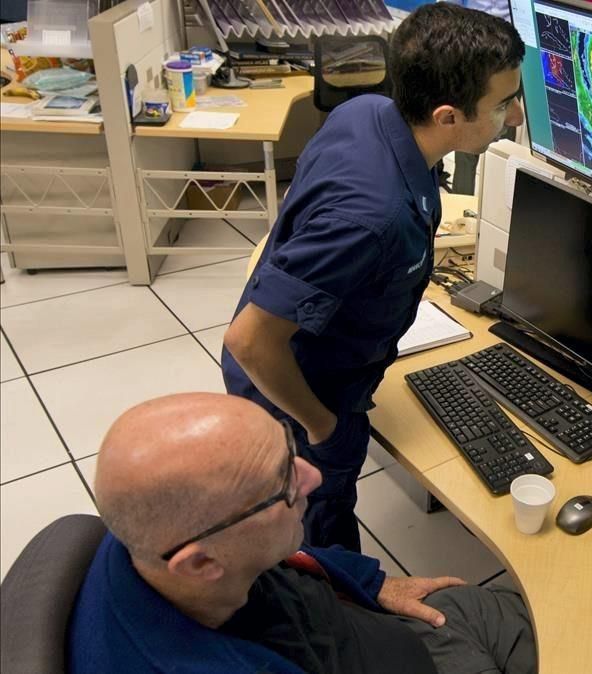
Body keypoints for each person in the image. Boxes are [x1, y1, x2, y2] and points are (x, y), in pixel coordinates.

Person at [222, 3, 526, 551]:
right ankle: (343, 614)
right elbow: (249, 341)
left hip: (313, 357)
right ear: (447, 116)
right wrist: (323, 427)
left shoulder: (368, 113)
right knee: (319, 533)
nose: (517, 118)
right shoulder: (371, 218)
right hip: (296, 392)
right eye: (504, 104)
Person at [68, 393, 536, 673]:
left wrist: (374, 584)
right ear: (202, 563)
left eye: (288, 451)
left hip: (375, 628)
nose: (311, 477)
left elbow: (284, 551)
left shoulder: (151, 535)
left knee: (537, 614)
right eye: (283, 487)